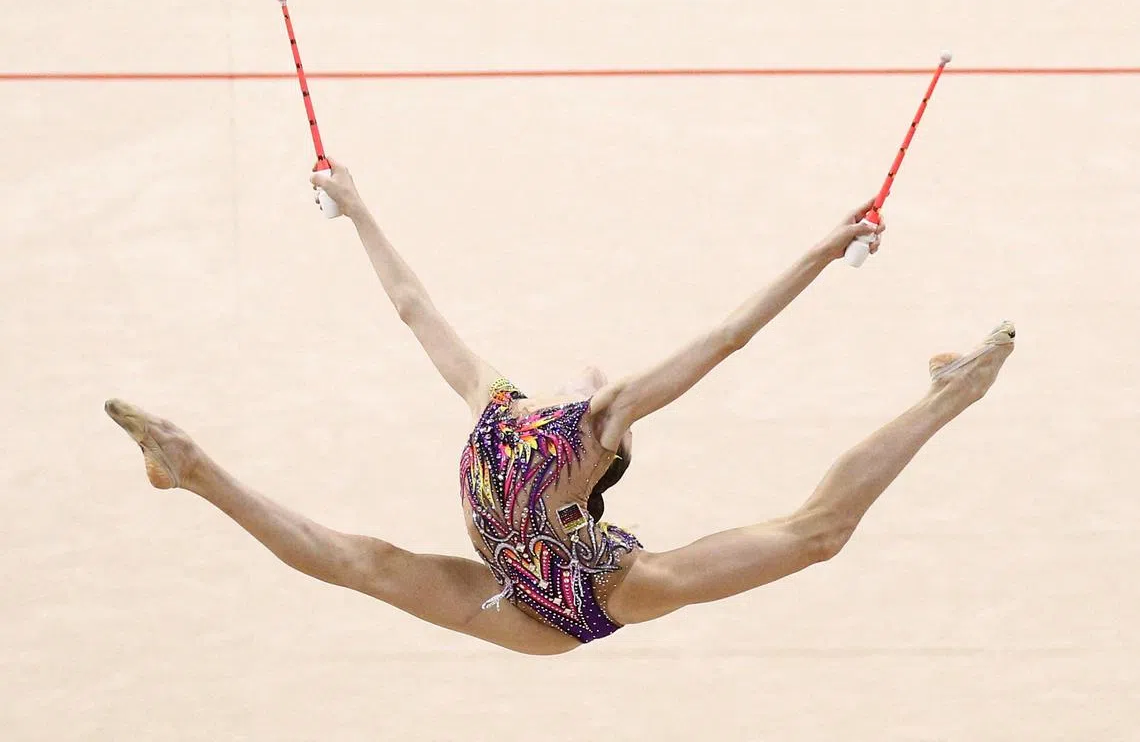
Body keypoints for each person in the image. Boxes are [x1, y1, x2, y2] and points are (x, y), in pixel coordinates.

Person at [106, 160, 1015, 655]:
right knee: (367, 564)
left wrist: (823, 249)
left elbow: (732, 333)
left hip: (585, 597)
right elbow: (413, 307)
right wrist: (355, 205)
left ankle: (948, 395)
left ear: (602, 462)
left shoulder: (601, 422)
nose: (592, 372)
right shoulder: (497, 403)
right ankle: (191, 468)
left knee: (816, 536)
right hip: (506, 572)